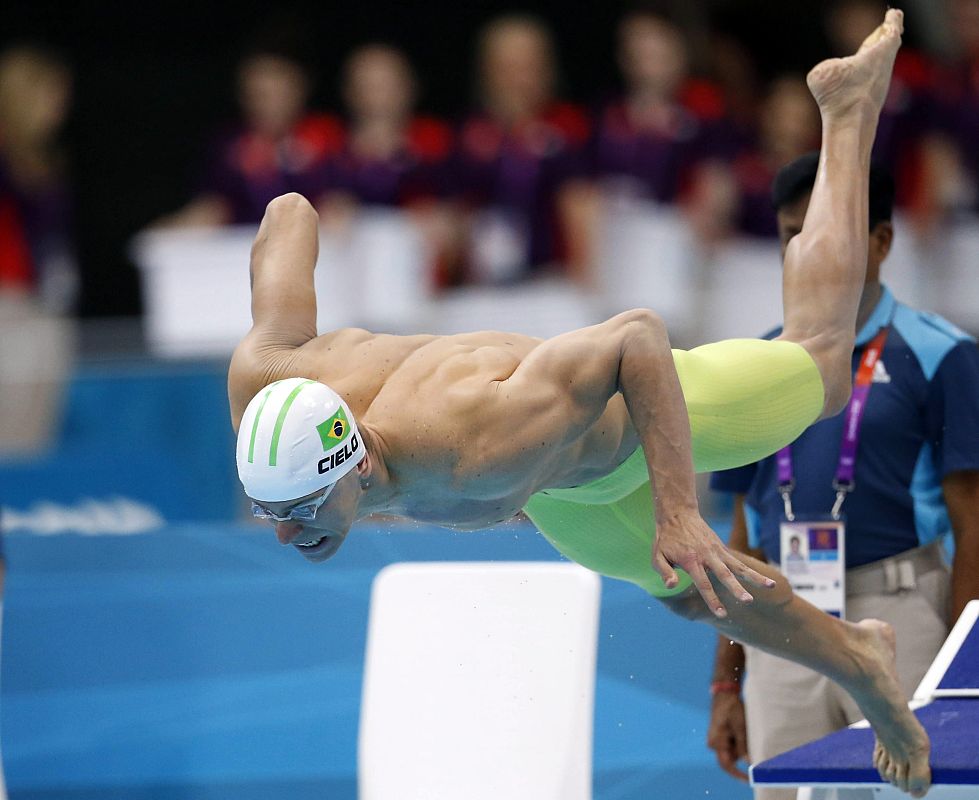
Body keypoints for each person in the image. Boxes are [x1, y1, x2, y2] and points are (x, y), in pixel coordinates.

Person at [229, 12, 932, 796]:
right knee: (694, 595)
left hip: (637, 418)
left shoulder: (475, 432)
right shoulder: (267, 389)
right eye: (272, 510)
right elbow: (288, 215)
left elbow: (635, 337)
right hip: (559, 490)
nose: (285, 534)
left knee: (825, 366)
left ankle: (847, 113)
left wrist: (677, 511)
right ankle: (860, 655)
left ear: (354, 461)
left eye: (300, 508)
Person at [705, 153, 979, 798]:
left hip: (901, 616)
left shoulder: (943, 354)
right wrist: (725, 683)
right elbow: (740, 539)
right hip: (780, 621)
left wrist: (965, 678)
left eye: (830, 236)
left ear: (881, 241)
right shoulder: (754, 362)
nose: (807, 254)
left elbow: (973, 523)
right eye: (790, 236)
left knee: (914, 792)